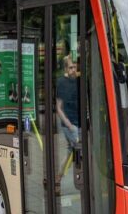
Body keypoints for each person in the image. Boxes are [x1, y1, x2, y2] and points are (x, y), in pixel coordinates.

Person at [55, 55, 80, 185]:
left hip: (80, 123)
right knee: (79, 150)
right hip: (70, 125)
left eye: (75, 67)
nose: (73, 70)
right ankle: (82, 179)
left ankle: (58, 176)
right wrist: (70, 126)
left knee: (71, 151)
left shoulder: (78, 80)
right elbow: (58, 108)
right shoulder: (61, 82)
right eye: (71, 67)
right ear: (65, 68)